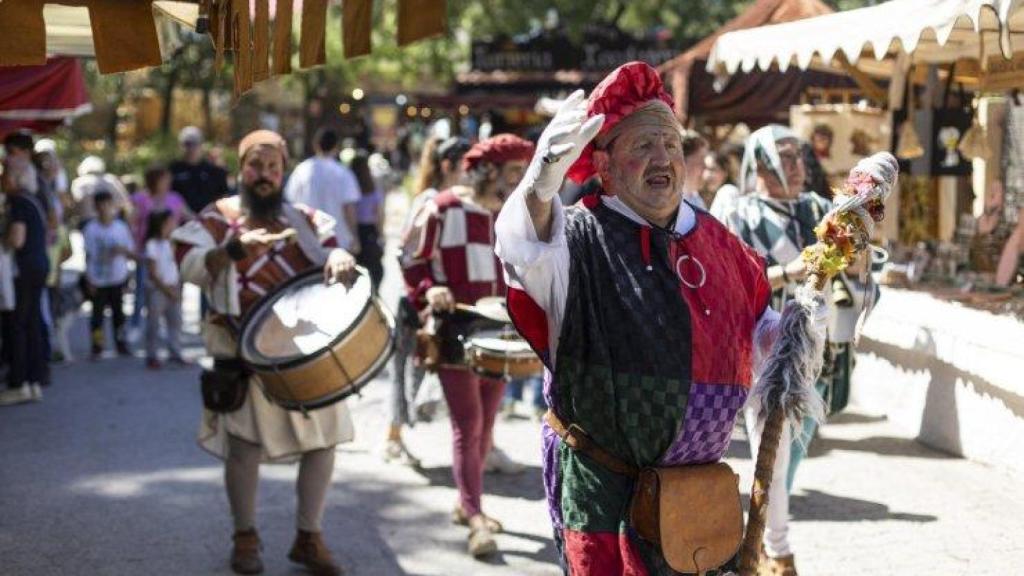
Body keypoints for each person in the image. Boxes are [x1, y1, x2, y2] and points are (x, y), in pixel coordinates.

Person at [493, 62, 857, 575]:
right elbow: (522, 248)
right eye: (642, 145)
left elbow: (754, 337)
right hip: (605, 489)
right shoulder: (574, 240)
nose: (662, 157)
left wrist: (797, 328)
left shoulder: (722, 245)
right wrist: (537, 186)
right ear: (605, 165)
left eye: (671, 144)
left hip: (695, 493)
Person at [172, 129, 357, 576]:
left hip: (302, 356)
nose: (265, 175)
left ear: (283, 170)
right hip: (243, 356)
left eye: (273, 167)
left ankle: (309, 537)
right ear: (241, 169)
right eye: (256, 166)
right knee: (245, 448)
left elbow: (334, 249)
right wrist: (233, 250)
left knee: (325, 442)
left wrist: (338, 259)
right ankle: (245, 537)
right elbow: (188, 265)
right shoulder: (216, 219)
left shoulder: (305, 220)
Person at [402, 134, 534, 558]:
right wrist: (430, 287)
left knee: (486, 425)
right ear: (489, 171)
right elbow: (410, 257)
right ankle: (475, 514)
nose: (517, 183)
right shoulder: (441, 207)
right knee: (469, 423)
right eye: (513, 173)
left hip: (499, 328)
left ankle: (466, 502)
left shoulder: (510, 213)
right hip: (454, 326)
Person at [720, 125, 833, 576]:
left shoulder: (817, 211)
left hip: (812, 347)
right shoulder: (739, 213)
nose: (797, 166)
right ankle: (775, 550)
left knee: (792, 449)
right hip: (762, 349)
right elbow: (732, 284)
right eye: (785, 158)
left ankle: (766, 537)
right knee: (775, 450)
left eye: (798, 157)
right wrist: (789, 271)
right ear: (761, 165)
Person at [385, 135, 471, 467]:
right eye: (467, 164)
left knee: (416, 371)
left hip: (434, 301)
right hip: (416, 302)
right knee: (404, 370)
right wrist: (424, 292)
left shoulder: (455, 200)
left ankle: (482, 441)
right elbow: (407, 254)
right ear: (448, 165)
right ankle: (393, 439)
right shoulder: (432, 200)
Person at [0, 155, 50, 406]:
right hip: (38, 266)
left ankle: (20, 382)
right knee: (30, 322)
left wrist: (4, 241)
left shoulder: (18, 201)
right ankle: (33, 380)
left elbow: (17, 239)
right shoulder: (34, 200)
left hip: (24, 268)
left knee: (18, 325)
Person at [129, 165, 190, 329]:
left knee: (173, 285)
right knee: (144, 290)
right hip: (147, 250)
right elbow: (131, 220)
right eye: (164, 179)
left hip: (171, 250)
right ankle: (138, 326)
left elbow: (189, 217)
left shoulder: (175, 199)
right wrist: (132, 245)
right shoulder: (141, 199)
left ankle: (173, 329)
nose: (167, 182)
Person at [284, 127, 362, 254]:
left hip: (308, 241)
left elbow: (291, 202)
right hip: (339, 240)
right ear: (336, 147)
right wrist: (355, 236)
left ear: (315, 145)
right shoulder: (343, 173)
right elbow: (349, 208)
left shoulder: (301, 170)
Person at [83, 191, 136, 359]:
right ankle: (97, 345)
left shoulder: (120, 227)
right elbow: (88, 254)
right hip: (98, 277)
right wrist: (88, 278)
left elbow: (130, 251)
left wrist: (122, 251)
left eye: (108, 205)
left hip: (117, 276)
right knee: (97, 315)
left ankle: (121, 343)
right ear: (96, 208)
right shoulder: (90, 229)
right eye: (101, 206)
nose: (105, 209)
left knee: (118, 313)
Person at [143, 210, 184, 369]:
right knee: (153, 323)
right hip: (158, 289)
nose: (173, 226)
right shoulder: (152, 245)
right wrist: (168, 290)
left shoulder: (172, 243)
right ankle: (152, 355)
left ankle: (175, 351)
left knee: (175, 321)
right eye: (169, 223)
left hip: (173, 286)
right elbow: (153, 273)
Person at [170, 126, 231, 215]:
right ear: (180, 145)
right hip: (180, 221)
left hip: (210, 221)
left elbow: (224, 197)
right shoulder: (173, 170)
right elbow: (166, 197)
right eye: (187, 144)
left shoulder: (215, 171)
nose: (191, 148)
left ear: (201, 145)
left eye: (195, 143)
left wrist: (212, 209)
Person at [350, 150, 385, 290]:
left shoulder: (351, 188)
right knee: (374, 267)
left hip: (357, 229)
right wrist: (381, 234)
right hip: (370, 230)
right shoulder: (372, 188)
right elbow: (379, 214)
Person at [70, 156, 132, 227]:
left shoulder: (79, 183)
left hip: (89, 222)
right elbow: (125, 201)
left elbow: (76, 204)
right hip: (110, 220)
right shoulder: (111, 180)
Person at [705, 150, 741, 222]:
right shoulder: (704, 197)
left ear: (725, 172)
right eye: (704, 169)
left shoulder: (728, 191)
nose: (707, 175)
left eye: (712, 169)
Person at [680, 129, 709, 209]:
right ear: (682, 163)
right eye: (700, 160)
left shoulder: (697, 200)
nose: (705, 167)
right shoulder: (664, 206)